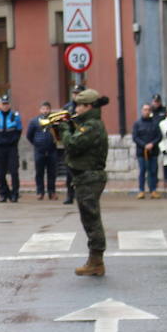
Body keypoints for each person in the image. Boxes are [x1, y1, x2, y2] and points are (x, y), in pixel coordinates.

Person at [58, 89, 110, 276]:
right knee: (88, 217)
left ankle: (96, 261)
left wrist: (64, 129)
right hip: (85, 177)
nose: (76, 108)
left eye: (79, 105)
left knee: (91, 218)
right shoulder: (87, 124)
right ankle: (94, 260)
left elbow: (73, 145)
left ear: (88, 107)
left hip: (89, 177)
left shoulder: (92, 125)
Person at [25, 101, 58, 200]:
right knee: (39, 172)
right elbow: (29, 135)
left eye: (47, 109)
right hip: (39, 150)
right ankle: (40, 192)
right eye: (43, 109)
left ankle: (52, 192)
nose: (45, 111)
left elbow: (58, 133)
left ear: (50, 109)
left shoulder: (54, 120)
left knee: (52, 172)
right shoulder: (34, 121)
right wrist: (36, 143)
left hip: (52, 150)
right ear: (40, 110)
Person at [131, 103, 161, 199]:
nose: (146, 111)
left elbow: (159, 136)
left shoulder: (155, 123)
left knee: (153, 171)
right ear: (141, 111)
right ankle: (141, 190)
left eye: (148, 109)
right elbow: (135, 137)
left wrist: (152, 144)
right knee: (142, 171)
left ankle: (153, 190)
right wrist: (144, 145)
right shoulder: (137, 123)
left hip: (153, 151)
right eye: (144, 109)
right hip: (141, 152)